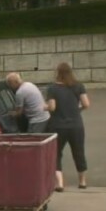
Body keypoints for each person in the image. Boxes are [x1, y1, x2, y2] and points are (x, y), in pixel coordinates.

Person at [46, 62, 90, 191]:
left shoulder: (52, 89)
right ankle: (82, 181)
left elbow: (52, 107)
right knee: (78, 152)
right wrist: (77, 111)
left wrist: (45, 107)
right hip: (76, 125)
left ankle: (59, 183)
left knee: (57, 153)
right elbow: (86, 104)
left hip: (58, 126)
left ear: (58, 73)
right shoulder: (78, 86)